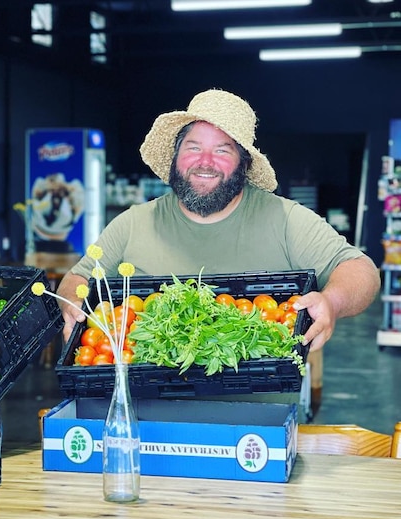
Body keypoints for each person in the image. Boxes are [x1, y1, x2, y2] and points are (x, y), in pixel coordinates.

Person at [57, 88, 380, 357]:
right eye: (193, 148)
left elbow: (360, 270)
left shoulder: (284, 219)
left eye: (222, 151)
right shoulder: (132, 224)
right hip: (145, 418)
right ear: (175, 157)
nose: (205, 163)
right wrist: (72, 302)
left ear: (244, 163)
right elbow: (77, 278)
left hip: (258, 425)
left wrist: (332, 302)